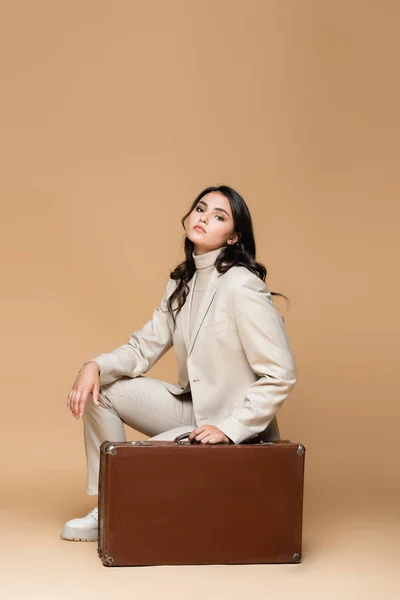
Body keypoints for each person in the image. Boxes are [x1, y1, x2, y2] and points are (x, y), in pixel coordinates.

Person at [60, 184, 297, 542]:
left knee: (139, 465)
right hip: (195, 409)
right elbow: (143, 348)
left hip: (235, 427)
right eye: (201, 208)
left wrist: (231, 428)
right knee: (103, 390)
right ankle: (106, 508)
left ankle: (120, 509)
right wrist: (94, 364)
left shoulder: (242, 286)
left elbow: (280, 374)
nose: (204, 218)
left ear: (233, 237)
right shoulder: (182, 282)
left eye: (219, 216)